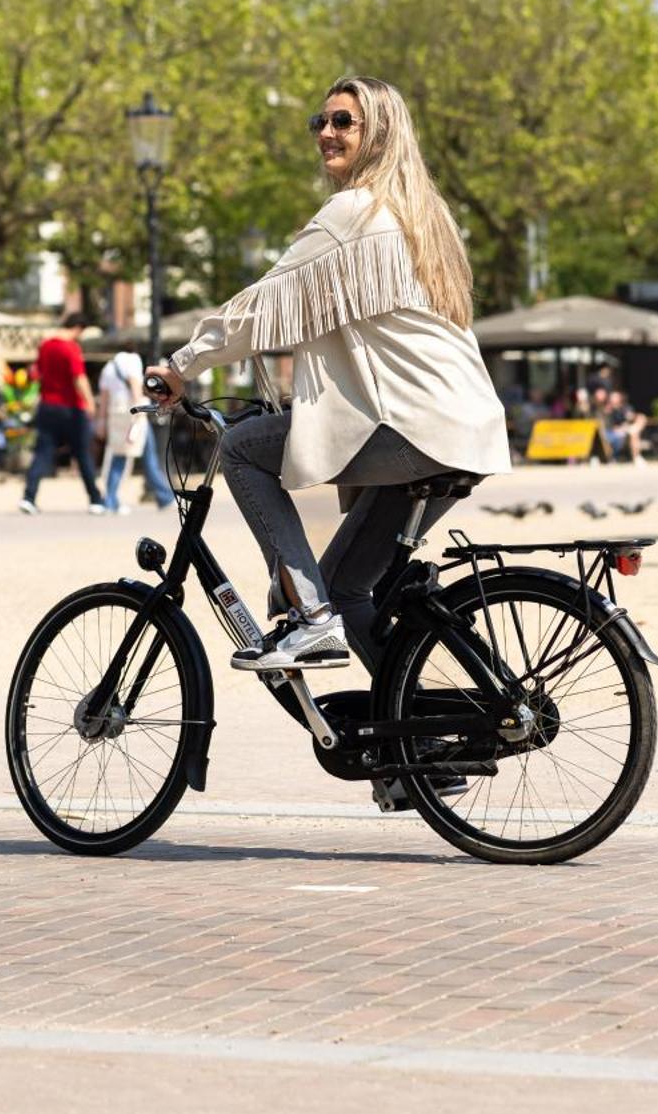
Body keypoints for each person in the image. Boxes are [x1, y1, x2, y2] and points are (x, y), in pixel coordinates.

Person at [147, 75, 510, 671]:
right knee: (347, 589)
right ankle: (416, 752)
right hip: (465, 430)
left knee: (241, 448)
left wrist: (181, 368)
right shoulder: (426, 217)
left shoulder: (352, 214)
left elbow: (263, 305)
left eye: (344, 121)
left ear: (380, 133)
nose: (326, 133)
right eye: (319, 122)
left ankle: (309, 621)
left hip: (412, 428)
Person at [19, 314, 105, 516]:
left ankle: (28, 498)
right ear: (78, 328)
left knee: (42, 453)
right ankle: (95, 500)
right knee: (83, 454)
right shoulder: (71, 348)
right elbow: (79, 378)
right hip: (72, 408)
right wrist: (90, 404)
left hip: (47, 406)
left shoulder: (45, 345)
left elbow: (35, 372)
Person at [96, 339, 149, 513]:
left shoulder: (108, 368)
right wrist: (141, 410)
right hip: (132, 413)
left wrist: (101, 422)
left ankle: (163, 494)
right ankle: (111, 498)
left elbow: (103, 399)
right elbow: (135, 386)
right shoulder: (133, 360)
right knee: (123, 457)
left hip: (114, 414)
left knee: (121, 453)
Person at [602, 389, 648, 465]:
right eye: (612, 397)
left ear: (620, 398)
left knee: (638, 423)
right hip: (612, 433)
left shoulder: (625, 408)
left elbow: (630, 417)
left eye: (615, 397)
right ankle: (636, 457)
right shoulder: (608, 410)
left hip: (625, 431)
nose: (613, 399)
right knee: (633, 433)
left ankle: (636, 457)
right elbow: (609, 426)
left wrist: (630, 423)